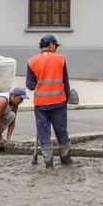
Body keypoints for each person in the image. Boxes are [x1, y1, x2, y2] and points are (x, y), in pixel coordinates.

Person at [27, 34, 72, 169]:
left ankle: (48, 162)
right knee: (61, 131)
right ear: (51, 44)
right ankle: (65, 159)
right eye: (56, 46)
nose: (56, 48)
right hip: (59, 102)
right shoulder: (60, 59)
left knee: (44, 132)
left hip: (41, 104)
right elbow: (66, 82)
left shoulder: (32, 61)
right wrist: (66, 98)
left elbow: (30, 85)